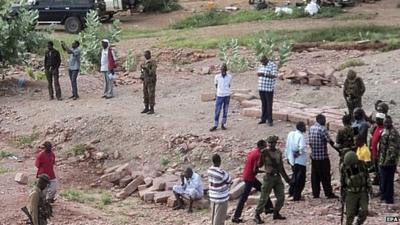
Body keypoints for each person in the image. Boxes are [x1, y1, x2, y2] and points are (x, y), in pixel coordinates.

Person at [232, 140, 274, 223]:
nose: (266, 147)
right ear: (261, 146)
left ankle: (268, 207)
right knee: (244, 197)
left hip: (247, 175)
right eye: (265, 146)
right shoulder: (258, 154)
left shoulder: (254, 151)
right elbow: (255, 169)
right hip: (250, 178)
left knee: (263, 189)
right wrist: (265, 172)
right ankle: (236, 216)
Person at [254, 135, 291, 224]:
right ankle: (257, 214)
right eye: (269, 143)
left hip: (277, 177)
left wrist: (287, 179)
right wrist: (261, 156)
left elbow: (281, 167)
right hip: (268, 177)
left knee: (281, 197)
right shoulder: (264, 153)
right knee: (264, 198)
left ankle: (276, 212)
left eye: (272, 143)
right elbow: (259, 165)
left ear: (275, 143)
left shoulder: (278, 152)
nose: (270, 144)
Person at [309, 114, 338, 199]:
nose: (325, 122)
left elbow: (310, 142)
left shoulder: (311, 128)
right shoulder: (322, 129)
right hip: (322, 157)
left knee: (315, 176)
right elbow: (330, 142)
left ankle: (315, 193)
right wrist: (339, 150)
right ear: (320, 120)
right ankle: (328, 193)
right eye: (324, 120)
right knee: (325, 176)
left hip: (314, 157)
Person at [341, 151, 371, 225]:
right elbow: (342, 181)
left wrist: (370, 188)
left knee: (364, 211)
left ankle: (358, 223)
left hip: (362, 191)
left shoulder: (362, 165)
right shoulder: (344, 167)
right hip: (351, 192)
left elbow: (367, 177)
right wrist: (343, 194)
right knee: (350, 214)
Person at [378, 116, 400, 204]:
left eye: (387, 122)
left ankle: (389, 198)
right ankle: (384, 195)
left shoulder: (393, 133)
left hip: (389, 161)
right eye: (385, 122)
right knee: (384, 179)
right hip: (383, 159)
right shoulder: (384, 130)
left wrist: (386, 162)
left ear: (391, 122)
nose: (386, 124)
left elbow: (392, 149)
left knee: (389, 180)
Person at [208, 154, 232, 225]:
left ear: (212, 161)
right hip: (221, 198)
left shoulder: (209, 170)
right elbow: (230, 180)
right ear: (220, 161)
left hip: (212, 196)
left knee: (213, 215)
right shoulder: (221, 172)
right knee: (219, 218)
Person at [285, 121, 307, 201]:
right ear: (301, 127)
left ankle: (291, 192)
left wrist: (287, 156)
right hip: (300, 161)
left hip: (292, 160)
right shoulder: (301, 136)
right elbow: (302, 148)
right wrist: (298, 153)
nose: (305, 128)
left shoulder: (291, 134)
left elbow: (287, 146)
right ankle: (296, 196)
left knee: (294, 177)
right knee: (300, 179)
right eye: (304, 126)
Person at [210, 63, 232, 132]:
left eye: (224, 70)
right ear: (220, 70)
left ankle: (223, 124)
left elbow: (229, 85)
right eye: (222, 69)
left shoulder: (229, 77)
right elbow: (216, 85)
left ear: (226, 70)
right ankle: (215, 125)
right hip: (219, 95)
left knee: (225, 110)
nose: (223, 71)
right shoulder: (217, 77)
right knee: (217, 110)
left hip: (227, 95)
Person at [257, 55, 277, 126]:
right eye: (261, 62)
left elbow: (274, 75)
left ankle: (270, 120)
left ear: (266, 60)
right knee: (263, 104)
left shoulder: (272, 65)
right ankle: (263, 119)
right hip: (261, 87)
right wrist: (259, 74)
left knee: (269, 104)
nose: (262, 63)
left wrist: (264, 74)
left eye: (263, 62)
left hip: (268, 88)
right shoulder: (261, 65)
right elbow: (258, 73)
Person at [369, 113, 385, 185]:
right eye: (377, 119)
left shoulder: (383, 130)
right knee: (376, 168)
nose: (377, 121)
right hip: (374, 153)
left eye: (379, 120)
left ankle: (380, 183)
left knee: (379, 170)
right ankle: (377, 180)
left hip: (379, 154)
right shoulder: (377, 127)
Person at [140, 50, 157, 114]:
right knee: (145, 94)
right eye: (145, 55)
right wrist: (142, 75)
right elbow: (142, 71)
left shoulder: (153, 62)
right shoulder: (145, 62)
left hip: (151, 80)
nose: (145, 56)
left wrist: (146, 69)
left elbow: (152, 72)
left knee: (151, 94)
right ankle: (146, 107)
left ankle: (152, 108)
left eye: (146, 55)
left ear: (149, 55)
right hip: (145, 80)